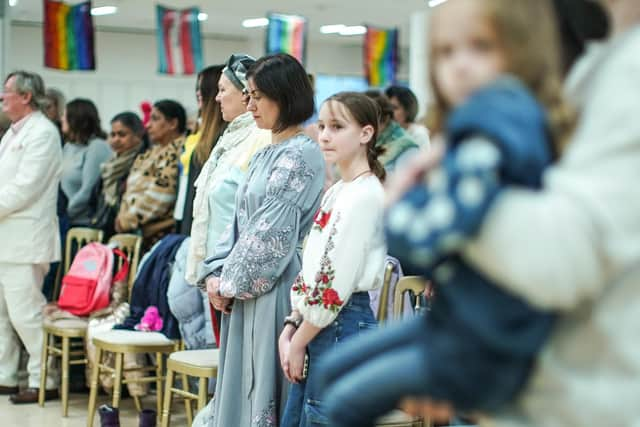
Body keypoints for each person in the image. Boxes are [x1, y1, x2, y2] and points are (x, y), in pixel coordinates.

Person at [318, 0, 575, 424]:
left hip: (485, 337)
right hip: (456, 317)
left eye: (481, 47)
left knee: (345, 400)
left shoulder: (497, 130)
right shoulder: (476, 128)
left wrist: (402, 202)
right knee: (333, 377)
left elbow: (422, 241)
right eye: (446, 52)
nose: (459, 66)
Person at [194, 53, 325, 427]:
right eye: (247, 96)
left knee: (262, 382)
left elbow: (270, 233)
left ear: (283, 96)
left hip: (275, 283)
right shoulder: (266, 151)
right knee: (239, 384)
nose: (249, 105)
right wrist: (215, 271)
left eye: (256, 96)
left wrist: (229, 282)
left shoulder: (301, 154)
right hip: (244, 284)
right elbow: (236, 223)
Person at [279, 92, 386, 426]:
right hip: (321, 325)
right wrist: (292, 324)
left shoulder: (365, 196)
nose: (324, 135)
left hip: (343, 325)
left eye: (337, 127)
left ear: (366, 134)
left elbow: (333, 287)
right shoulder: (340, 190)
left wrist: (297, 341)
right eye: (322, 125)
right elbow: (313, 269)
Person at [0, 70, 60, 404]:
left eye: (7, 91)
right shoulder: (13, 133)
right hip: (6, 237)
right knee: (3, 314)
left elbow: (26, 187)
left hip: (26, 239)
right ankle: (7, 375)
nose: (2, 97)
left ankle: (44, 379)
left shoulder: (43, 133)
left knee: (27, 314)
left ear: (26, 96)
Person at [186, 54, 270, 286]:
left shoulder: (261, 138)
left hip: (235, 271)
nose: (217, 98)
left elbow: (255, 213)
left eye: (222, 91)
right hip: (216, 267)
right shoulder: (232, 136)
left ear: (246, 94)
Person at [115, 99, 185, 248]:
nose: (148, 125)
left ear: (173, 123)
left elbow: (161, 196)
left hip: (157, 236)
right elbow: (130, 190)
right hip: (134, 230)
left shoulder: (178, 152)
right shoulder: (151, 152)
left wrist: (127, 220)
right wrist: (123, 217)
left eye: (155, 119)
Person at [174, 65, 227, 235]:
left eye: (202, 87)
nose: (198, 92)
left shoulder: (223, 136)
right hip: (187, 214)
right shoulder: (202, 134)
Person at [86, 112, 146, 238]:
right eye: (112, 135)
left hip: (129, 234)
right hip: (104, 229)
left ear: (138, 135)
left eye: (122, 134)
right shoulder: (110, 164)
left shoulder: (144, 163)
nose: (115, 139)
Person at [60, 98, 112, 227]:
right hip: (64, 219)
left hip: (83, 224)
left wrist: (66, 213)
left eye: (64, 116)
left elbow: (88, 190)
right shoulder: (68, 147)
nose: (61, 119)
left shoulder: (97, 147)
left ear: (76, 119)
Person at [364, 90, 419, 173]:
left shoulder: (406, 146)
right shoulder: (366, 143)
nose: (366, 130)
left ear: (386, 119)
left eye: (369, 124)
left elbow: (407, 184)